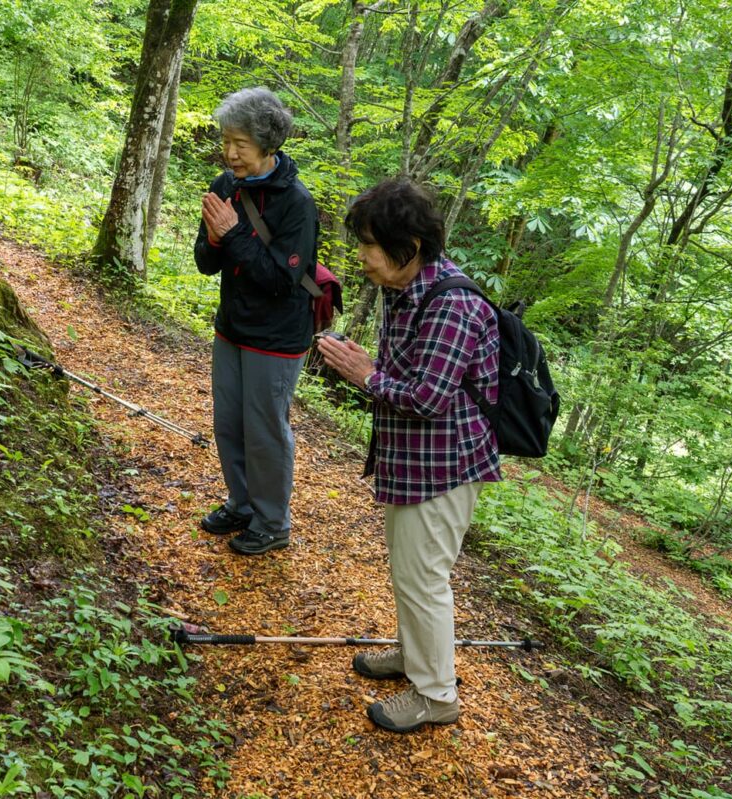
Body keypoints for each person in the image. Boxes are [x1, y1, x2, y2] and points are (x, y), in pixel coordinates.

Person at [317, 178, 501, 732]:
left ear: (410, 247)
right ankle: (414, 655)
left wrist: (364, 374)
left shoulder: (454, 304)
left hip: (445, 465)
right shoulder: (407, 289)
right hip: (413, 459)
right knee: (410, 572)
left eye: (371, 245)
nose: (362, 257)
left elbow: (427, 396)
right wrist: (368, 365)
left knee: (424, 579)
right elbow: (412, 375)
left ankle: (436, 696)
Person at [193, 87, 319, 556]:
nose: (229, 153)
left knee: (265, 429)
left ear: (267, 144)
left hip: (277, 336)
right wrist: (213, 239)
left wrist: (232, 233)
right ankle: (241, 503)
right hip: (233, 326)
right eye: (226, 141)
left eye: (240, 145)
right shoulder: (226, 185)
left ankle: (272, 521)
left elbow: (281, 280)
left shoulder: (297, 204)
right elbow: (207, 262)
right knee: (228, 422)